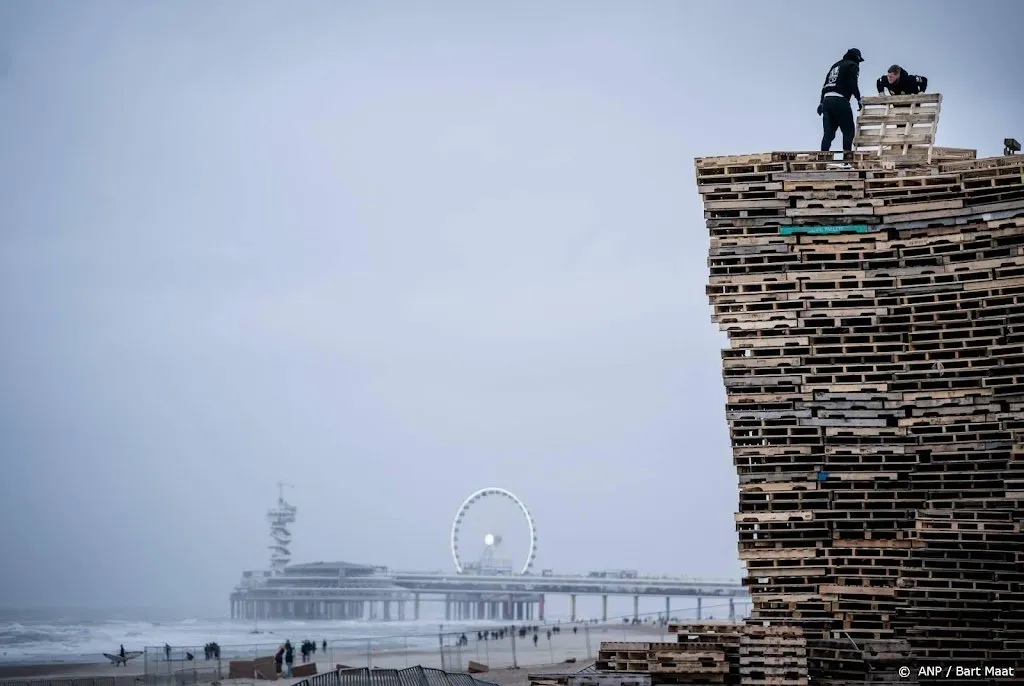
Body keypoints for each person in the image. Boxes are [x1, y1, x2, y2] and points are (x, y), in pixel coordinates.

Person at [818, 48, 865, 157]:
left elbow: (825, 84)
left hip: (827, 100)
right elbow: (852, 83)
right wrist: (858, 98)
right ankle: (847, 161)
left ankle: (822, 159)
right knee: (848, 131)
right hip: (840, 100)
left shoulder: (835, 66)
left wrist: (821, 103)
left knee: (828, 133)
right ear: (857, 58)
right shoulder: (852, 65)